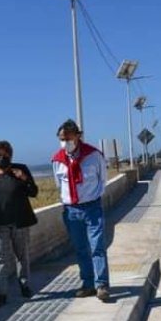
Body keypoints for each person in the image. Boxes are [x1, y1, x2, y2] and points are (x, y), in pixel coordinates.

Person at [52, 119, 111, 301]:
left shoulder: (94, 155)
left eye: (68, 138)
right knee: (80, 249)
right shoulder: (57, 160)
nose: (65, 142)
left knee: (97, 247)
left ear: (77, 136)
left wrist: (92, 197)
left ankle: (102, 285)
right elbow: (58, 184)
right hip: (71, 211)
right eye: (61, 139)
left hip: (92, 207)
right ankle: (88, 284)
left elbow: (103, 180)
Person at [0, 140, 38, 309]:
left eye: (4, 155)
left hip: (20, 222)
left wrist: (24, 178)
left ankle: (24, 286)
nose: (1, 158)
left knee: (22, 256)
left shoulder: (20, 169)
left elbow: (34, 192)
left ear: (10, 156)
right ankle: (1, 294)